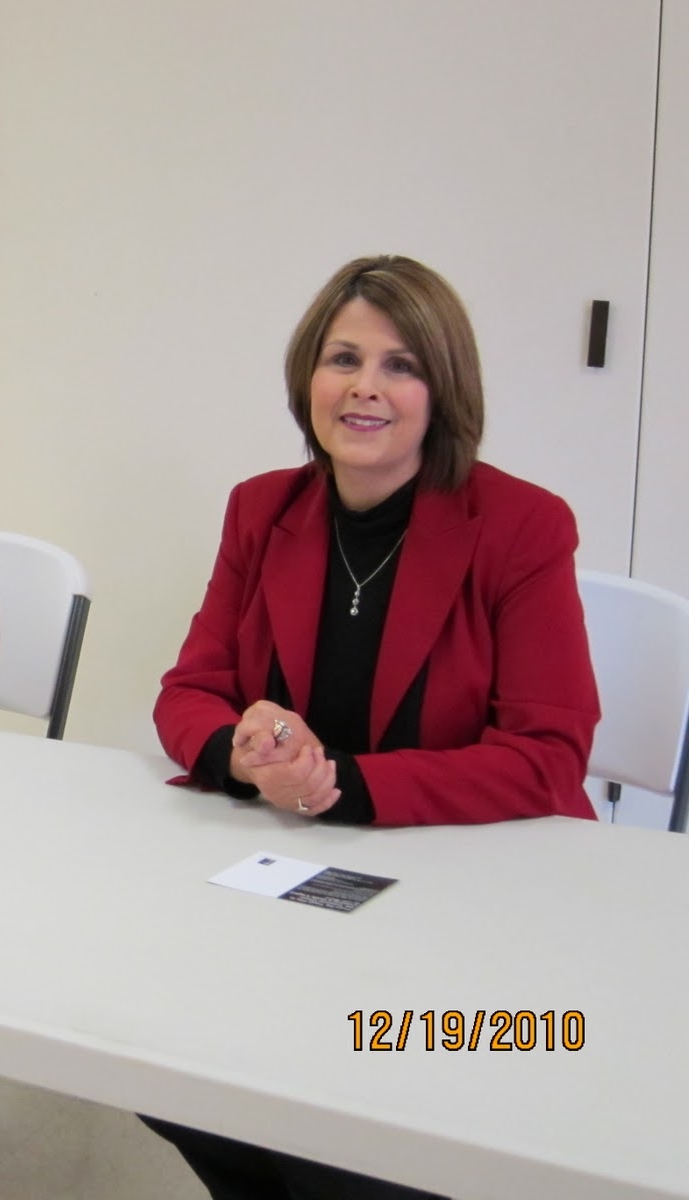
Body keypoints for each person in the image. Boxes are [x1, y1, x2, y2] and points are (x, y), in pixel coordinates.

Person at [142, 255, 601, 1199]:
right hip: (295, 877)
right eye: (343, 358)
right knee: (155, 1057)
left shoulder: (522, 525)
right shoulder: (262, 507)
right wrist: (244, 751)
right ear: (307, 375)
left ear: (445, 389)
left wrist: (341, 783)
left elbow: (548, 758)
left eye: (402, 365)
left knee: (364, 1132)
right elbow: (189, 691)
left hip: (472, 900)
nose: (365, 387)